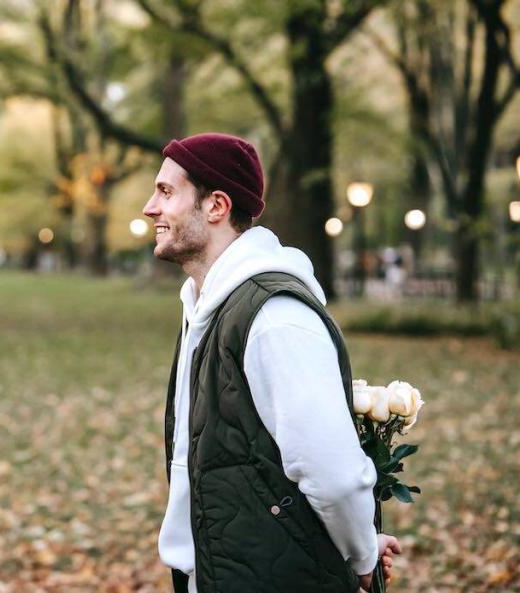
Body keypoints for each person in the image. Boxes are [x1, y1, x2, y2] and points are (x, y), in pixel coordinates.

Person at [143, 134, 401, 593]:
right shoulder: (207, 307)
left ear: (216, 206)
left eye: (166, 192)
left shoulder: (275, 317)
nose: (149, 208)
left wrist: (361, 554)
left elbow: (334, 472)